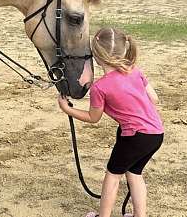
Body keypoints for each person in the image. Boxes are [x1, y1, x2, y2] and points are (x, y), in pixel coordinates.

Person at [58, 27, 164, 217]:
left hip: (134, 136)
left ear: (96, 58)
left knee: (112, 175)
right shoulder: (135, 71)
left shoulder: (100, 87)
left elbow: (93, 118)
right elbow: (154, 99)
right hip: (156, 133)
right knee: (134, 174)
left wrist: (68, 109)